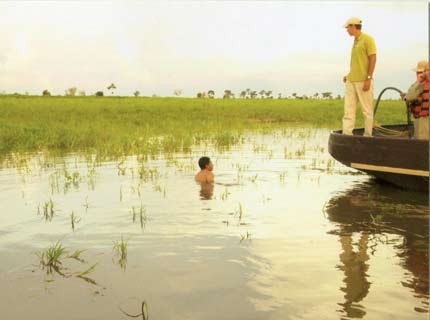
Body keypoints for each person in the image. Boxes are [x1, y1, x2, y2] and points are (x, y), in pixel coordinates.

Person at [342, 17, 377, 137]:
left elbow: (373, 58)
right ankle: (346, 136)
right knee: (348, 111)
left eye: (347, 28)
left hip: (363, 81)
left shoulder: (368, 39)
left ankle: (368, 136)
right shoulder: (355, 41)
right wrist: (349, 75)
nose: (347, 30)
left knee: (367, 111)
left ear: (353, 26)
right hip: (351, 81)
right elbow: (358, 62)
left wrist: (368, 78)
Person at [403, 60, 429, 140]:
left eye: (420, 72)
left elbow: (409, 97)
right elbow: (409, 97)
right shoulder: (420, 83)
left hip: (424, 120)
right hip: (420, 118)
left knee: (422, 143)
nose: (417, 74)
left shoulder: (422, 83)